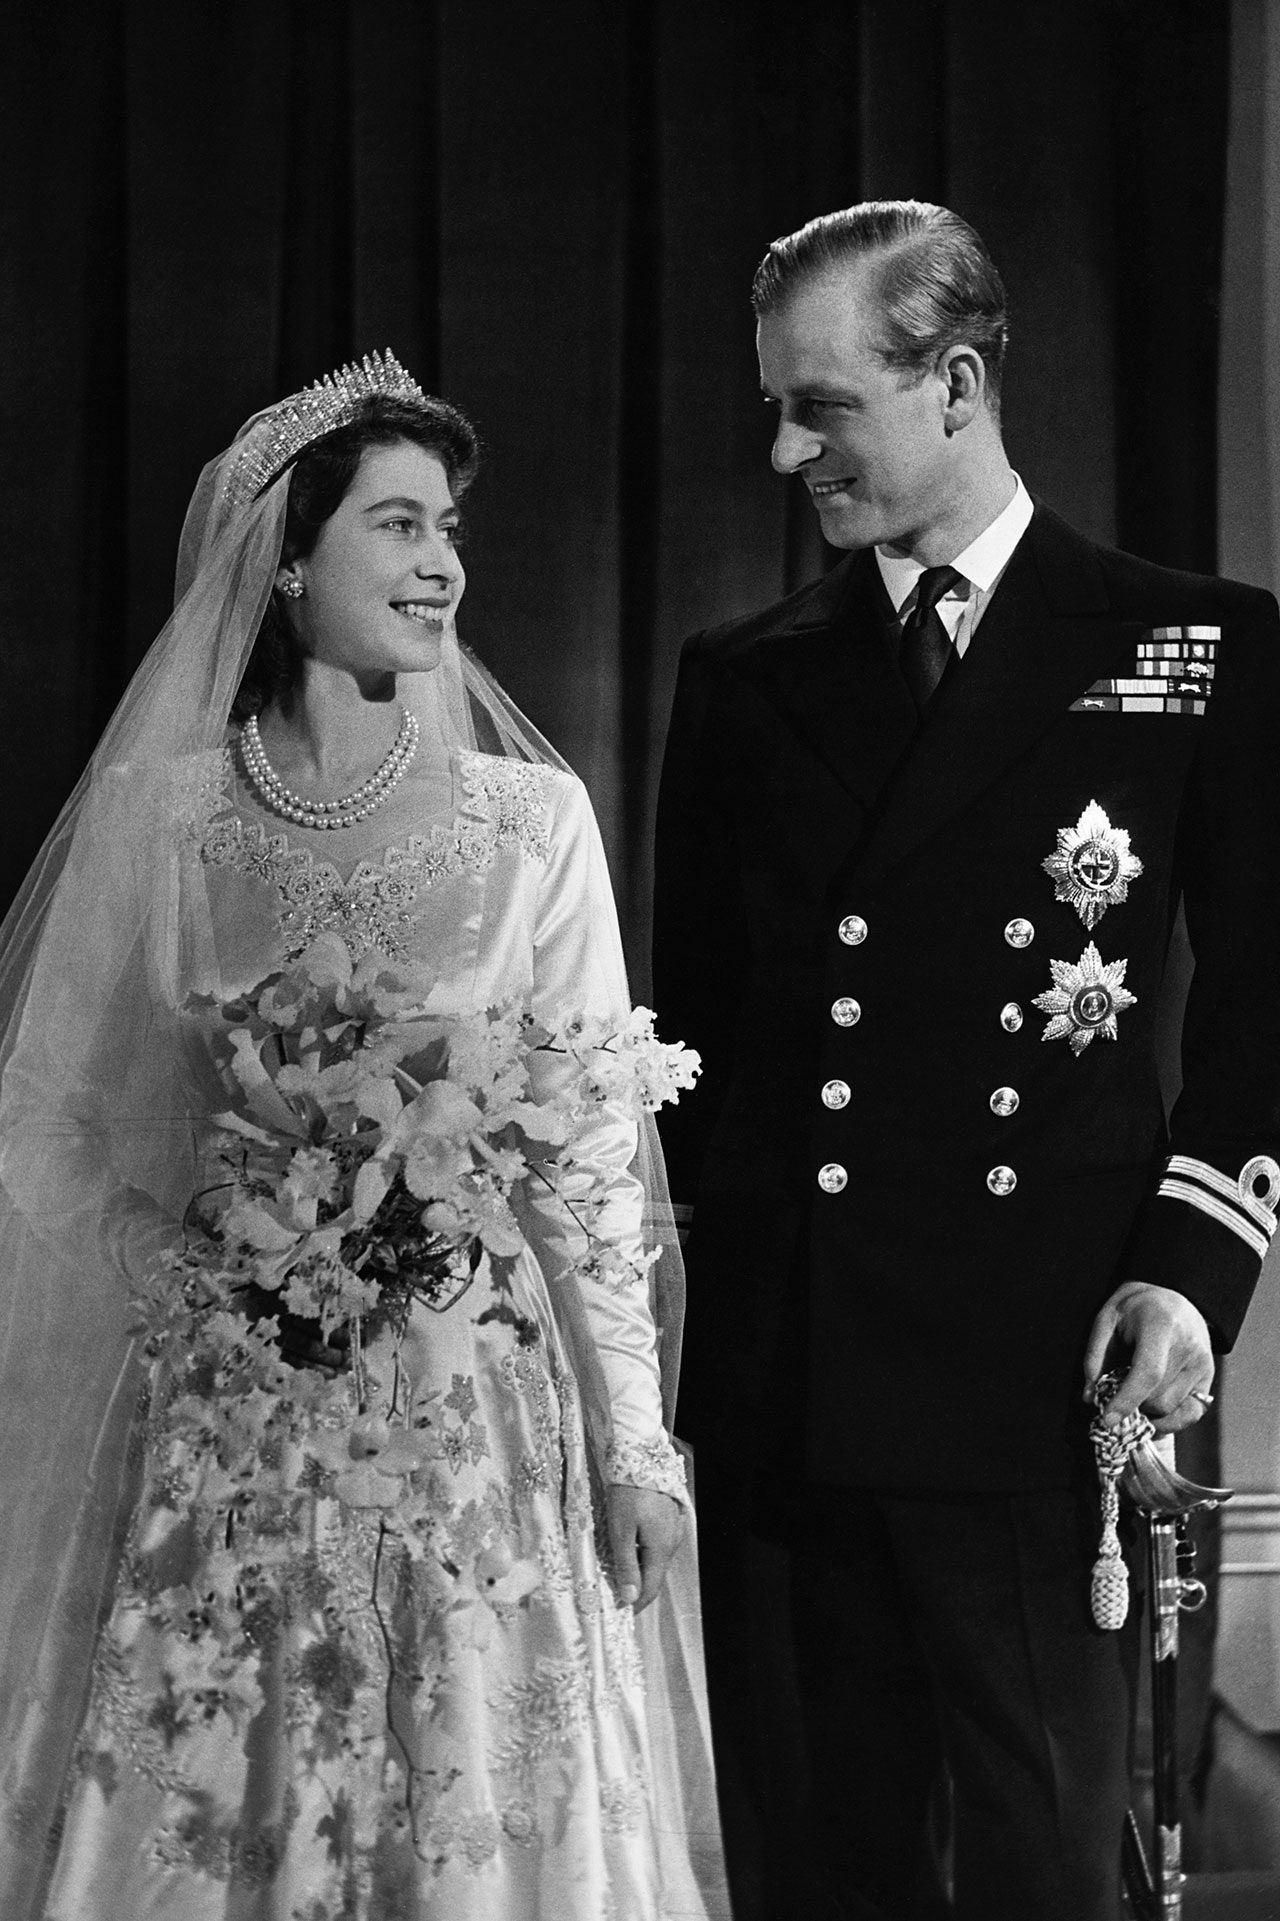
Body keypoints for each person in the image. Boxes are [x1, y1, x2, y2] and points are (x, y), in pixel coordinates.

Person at [0, 353, 727, 1919]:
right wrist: (175, 1261)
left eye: (447, 525)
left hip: (473, 1430)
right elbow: (39, 1113)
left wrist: (634, 1445)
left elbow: (592, 1163)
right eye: (397, 525)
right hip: (237, 1423)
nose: (442, 563)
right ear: (286, 559)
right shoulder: (168, 821)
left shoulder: (532, 825)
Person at [653, 199, 1280, 1921]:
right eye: (777, 405)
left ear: (958, 381)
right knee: (823, 1870)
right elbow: (689, 1062)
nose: (787, 448)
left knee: (1042, 1870)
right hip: (797, 1380)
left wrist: (1190, 1265)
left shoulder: (1188, 646)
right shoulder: (744, 681)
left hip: (1037, 1364)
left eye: (823, 404)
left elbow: (1265, 1005)